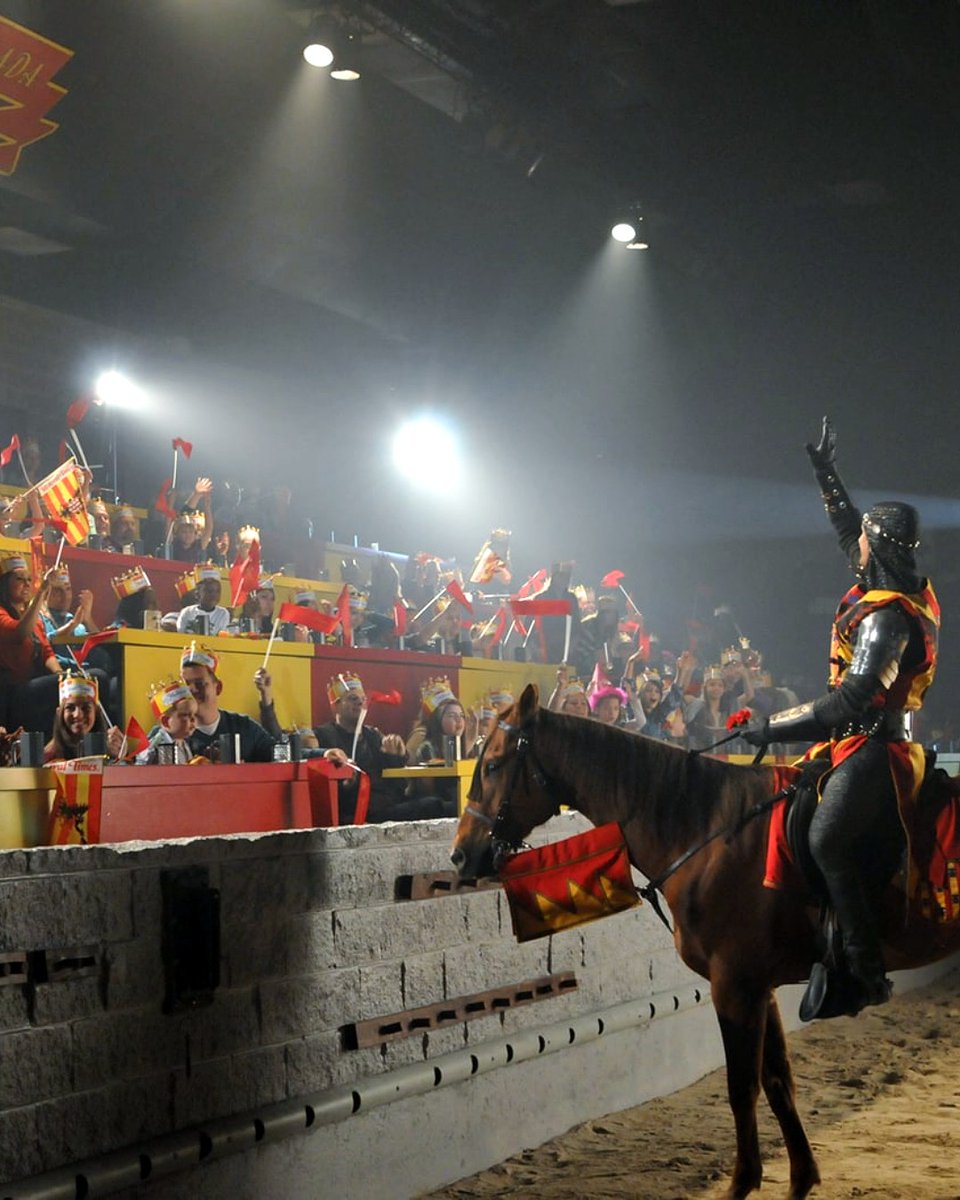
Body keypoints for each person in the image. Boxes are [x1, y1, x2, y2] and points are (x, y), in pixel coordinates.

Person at [742, 416, 939, 1016]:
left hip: (878, 748)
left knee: (828, 837)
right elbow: (847, 528)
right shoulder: (883, 584)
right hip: (852, 745)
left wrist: (773, 728)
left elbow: (851, 702)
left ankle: (864, 970)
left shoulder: (889, 618)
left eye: (863, 540)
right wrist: (826, 471)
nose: (854, 545)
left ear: (876, 550)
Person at [313, 673, 413, 822]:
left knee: (437, 805)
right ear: (336, 705)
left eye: (363, 699)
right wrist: (347, 786)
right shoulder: (323, 736)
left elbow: (398, 785)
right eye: (353, 699)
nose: (360, 703)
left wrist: (396, 756)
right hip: (355, 812)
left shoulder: (374, 735)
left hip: (387, 807)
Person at [174, 643, 276, 762]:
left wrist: (266, 695)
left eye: (200, 683)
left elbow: (280, 755)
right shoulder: (172, 732)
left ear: (218, 688)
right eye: (186, 684)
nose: (192, 690)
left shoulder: (244, 727)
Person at [0, 555, 63, 734]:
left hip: (35, 683)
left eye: (29, 579)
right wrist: (41, 592)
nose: (27, 584)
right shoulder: (2, 613)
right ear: (4, 584)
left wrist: (62, 675)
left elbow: (47, 653)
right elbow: (19, 633)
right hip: (13, 691)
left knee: (95, 679)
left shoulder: (34, 619)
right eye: (19, 579)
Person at [45, 674, 123, 762]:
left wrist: (121, 756)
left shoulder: (111, 747)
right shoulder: (48, 757)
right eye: (70, 708)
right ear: (59, 713)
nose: (78, 715)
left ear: (97, 712)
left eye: (86, 708)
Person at [136, 678, 199, 764]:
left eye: (194, 714)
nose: (193, 719)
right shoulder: (153, 748)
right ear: (166, 721)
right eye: (185, 715)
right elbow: (141, 771)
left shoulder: (183, 743)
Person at [176, 566, 231, 636]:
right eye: (209, 591)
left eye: (217, 591)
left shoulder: (223, 613)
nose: (214, 595)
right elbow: (181, 635)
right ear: (197, 594)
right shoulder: (187, 612)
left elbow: (221, 636)